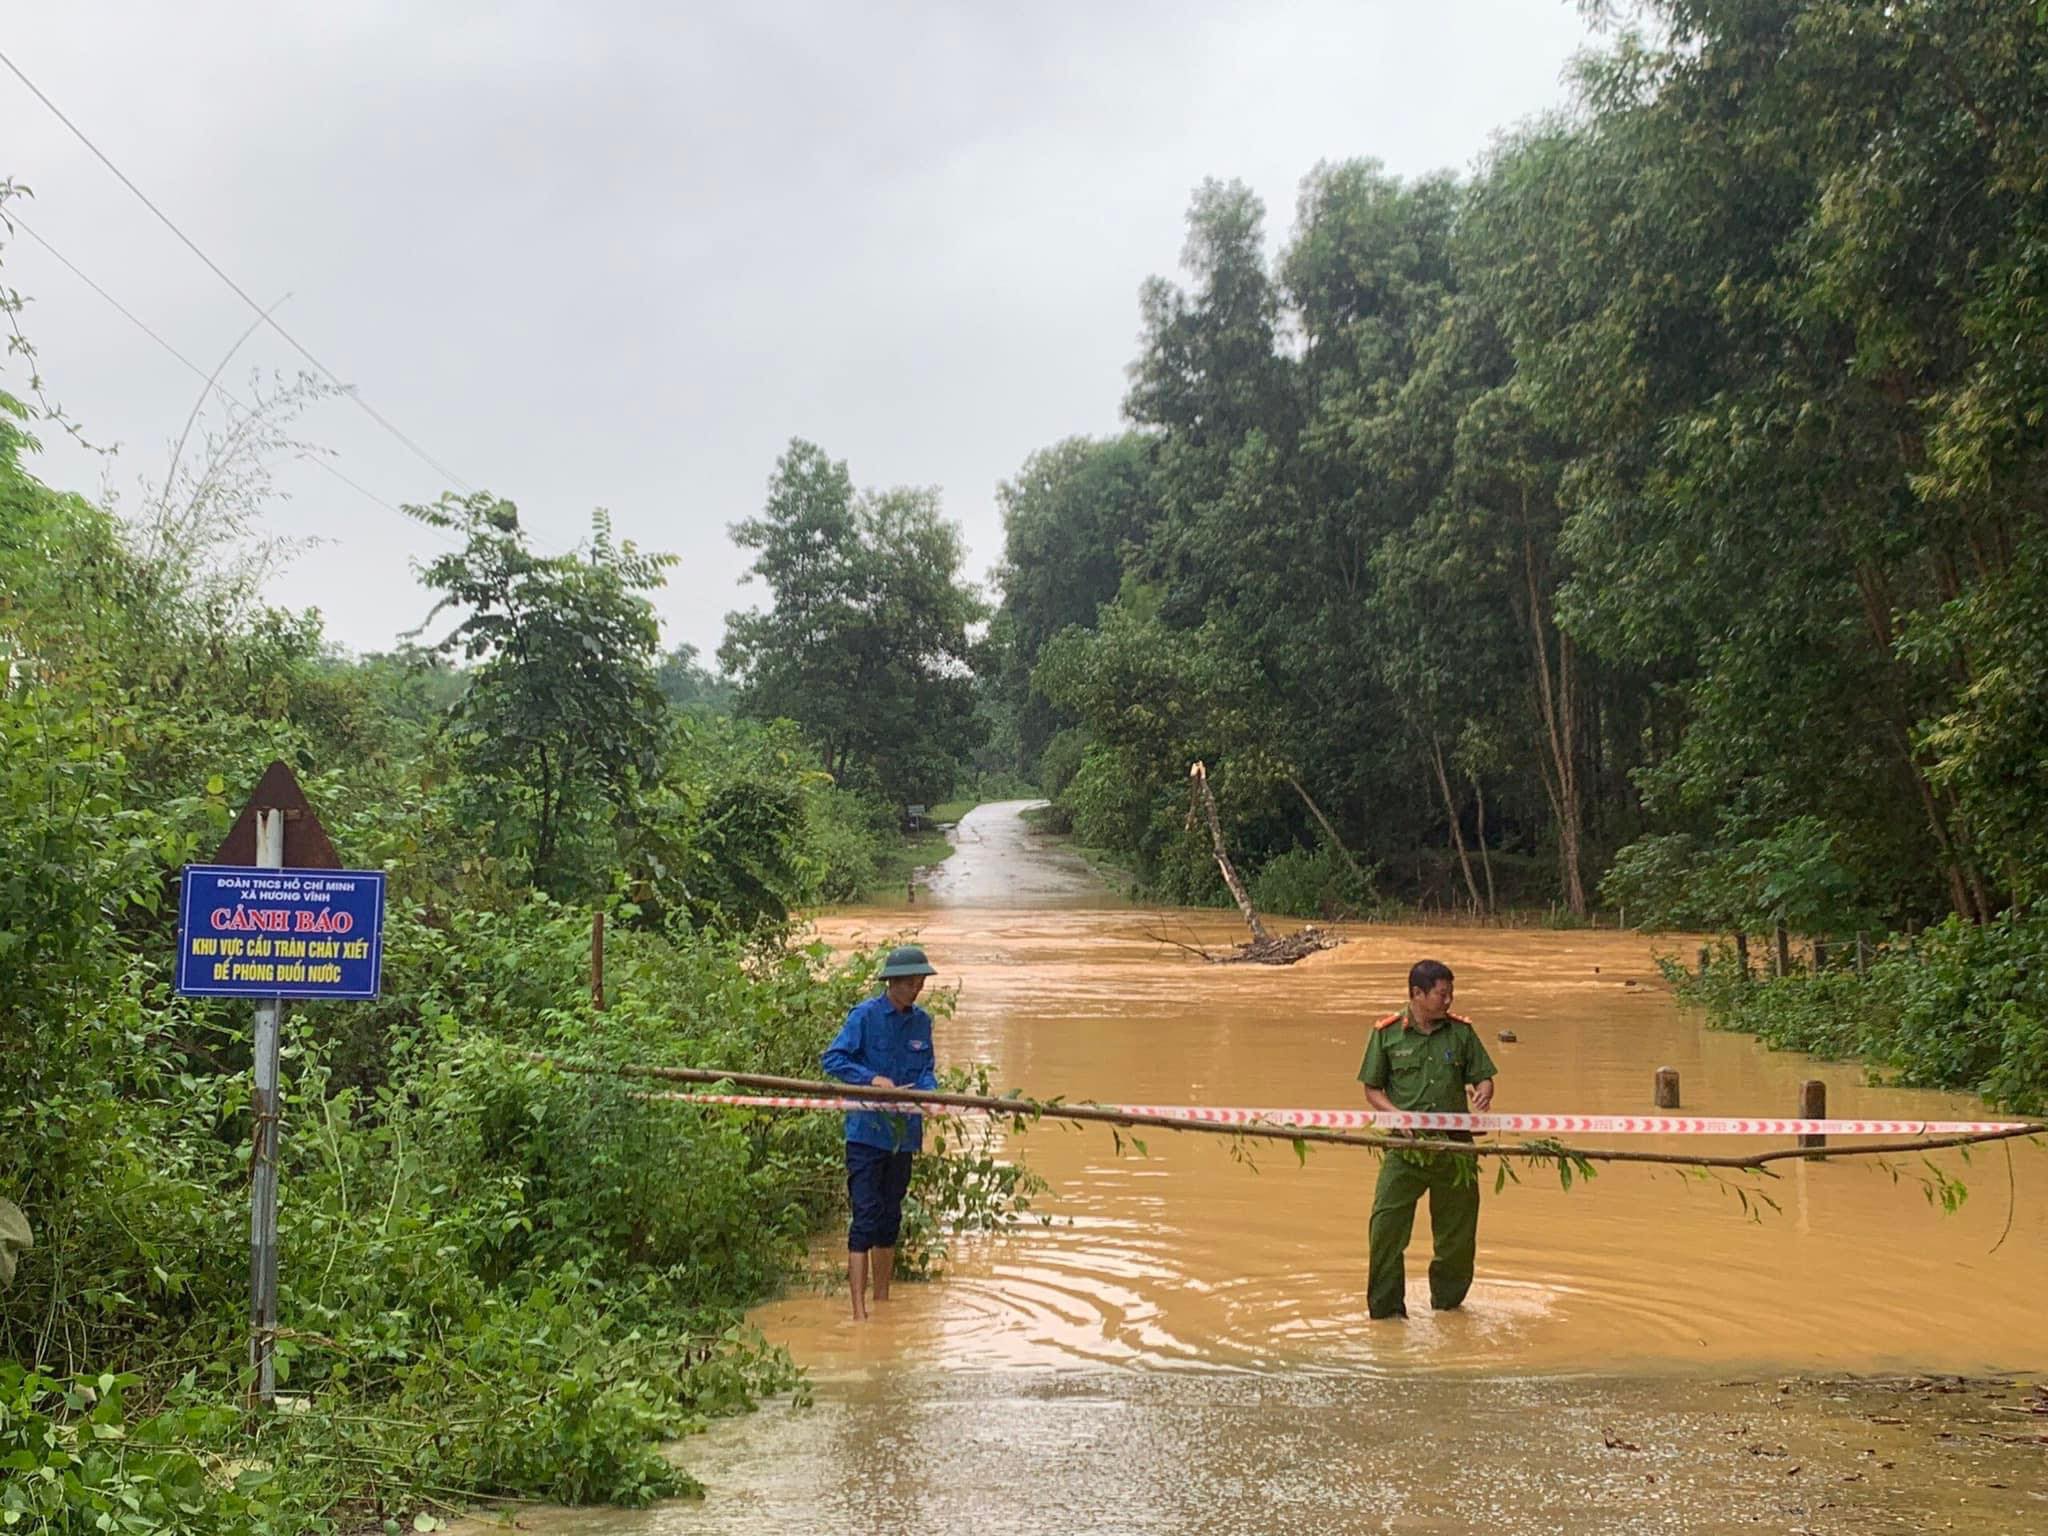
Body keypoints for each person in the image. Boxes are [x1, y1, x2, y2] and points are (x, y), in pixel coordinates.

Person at [1357, 958, 1497, 1320]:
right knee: (1385, 1231)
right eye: (1442, 994)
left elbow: (1483, 1076)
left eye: (1451, 993)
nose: (1449, 1001)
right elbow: (1372, 1089)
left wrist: (1483, 1092)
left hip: (1455, 1150)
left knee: (1457, 1239)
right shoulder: (1387, 1033)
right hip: (1406, 1150)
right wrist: (1396, 1114)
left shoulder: (1461, 1033)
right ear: (1417, 994)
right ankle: (1387, 1317)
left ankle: (1449, 1311)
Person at [821, 945, 939, 1320]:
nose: (916, 989)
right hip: (866, 1133)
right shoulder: (865, 1017)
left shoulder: (922, 1022)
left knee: (890, 1217)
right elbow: (834, 1059)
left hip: (903, 1135)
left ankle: (883, 1303)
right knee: (866, 1216)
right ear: (892, 983)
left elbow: (927, 1071)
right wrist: (873, 1080)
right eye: (910, 983)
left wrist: (929, 1093)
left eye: (920, 983)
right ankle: (858, 1313)